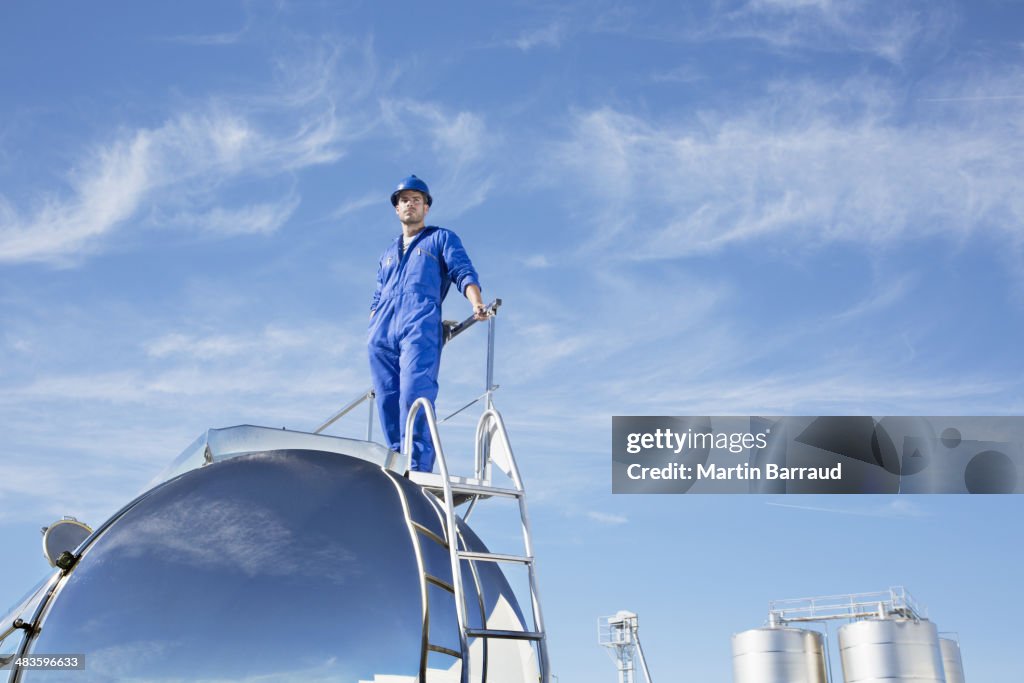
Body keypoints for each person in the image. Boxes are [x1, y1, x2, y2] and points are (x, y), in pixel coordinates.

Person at [368, 174, 487, 472]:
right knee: (387, 398)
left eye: (416, 200)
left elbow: (462, 270)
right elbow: (378, 292)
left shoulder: (440, 238)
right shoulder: (387, 253)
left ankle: (418, 468)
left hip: (419, 326)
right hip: (382, 332)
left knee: (414, 393)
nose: (410, 204)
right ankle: (398, 462)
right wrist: (373, 321)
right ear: (397, 208)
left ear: (426, 208)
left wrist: (475, 302)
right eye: (404, 200)